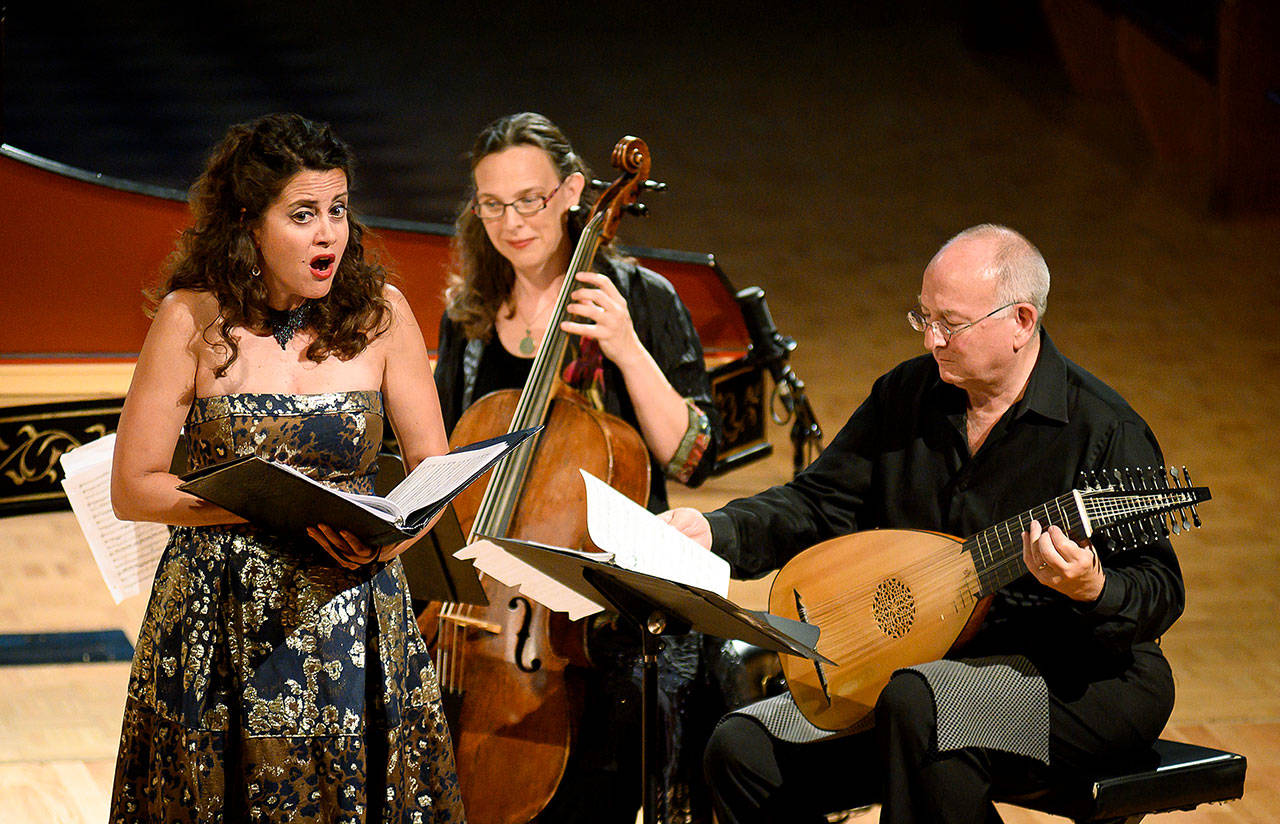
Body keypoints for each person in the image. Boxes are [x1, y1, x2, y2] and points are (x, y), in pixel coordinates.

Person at [664, 224, 1185, 824]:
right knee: (743, 748)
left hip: (1078, 681)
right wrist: (716, 532)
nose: (933, 338)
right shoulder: (906, 398)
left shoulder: (1103, 430)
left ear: (1021, 322)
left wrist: (1092, 587)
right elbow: (816, 504)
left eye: (952, 323)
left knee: (924, 704)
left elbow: (1160, 591)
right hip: (918, 676)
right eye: (923, 317)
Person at [109, 112, 465, 823]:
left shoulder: (383, 314)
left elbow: (434, 470)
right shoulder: (191, 318)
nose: (328, 232)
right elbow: (134, 486)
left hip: (353, 611)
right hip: (222, 618)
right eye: (303, 214)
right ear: (249, 224)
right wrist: (259, 505)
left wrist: (389, 541)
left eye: (336, 210)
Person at [432, 112, 722, 822]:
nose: (511, 221)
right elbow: (443, 462)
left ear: (572, 192)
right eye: (492, 204)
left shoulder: (639, 297)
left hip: (603, 617)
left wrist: (626, 346)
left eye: (529, 200)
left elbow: (694, 456)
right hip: (483, 615)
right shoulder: (470, 315)